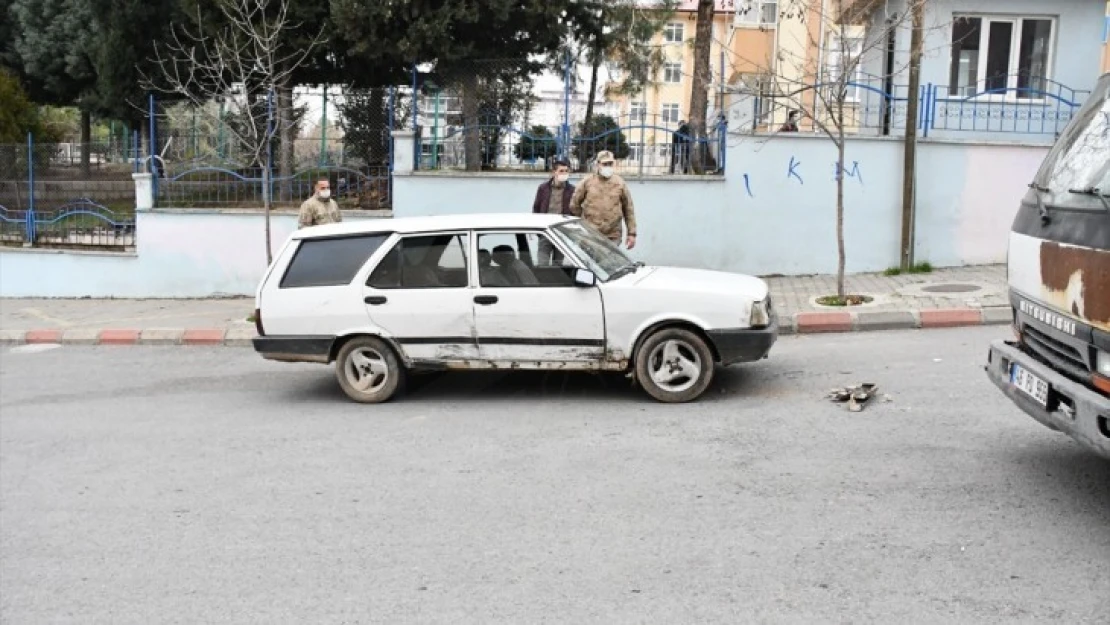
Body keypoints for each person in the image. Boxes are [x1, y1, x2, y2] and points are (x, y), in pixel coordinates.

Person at [569, 150, 637, 249]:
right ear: (598, 164)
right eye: (605, 164)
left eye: (610, 164)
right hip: (590, 234)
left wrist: (632, 234)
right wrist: (585, 220)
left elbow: (628, 209)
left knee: (609, 263)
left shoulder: (619, 183)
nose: (608, 166)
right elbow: (574, 204)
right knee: (592, 262)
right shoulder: (587, 182)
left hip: (613, 235)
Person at [532, 159, 575, 264]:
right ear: (554, 172)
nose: (564, 174)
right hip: (545, 231)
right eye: (561, 171)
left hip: (562, 233)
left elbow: (575, 211)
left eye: (566, 171)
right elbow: (536, 208)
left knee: (558, 265)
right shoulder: (543, 188)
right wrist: (538, 229)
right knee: (542, 263)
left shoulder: (572, 190)